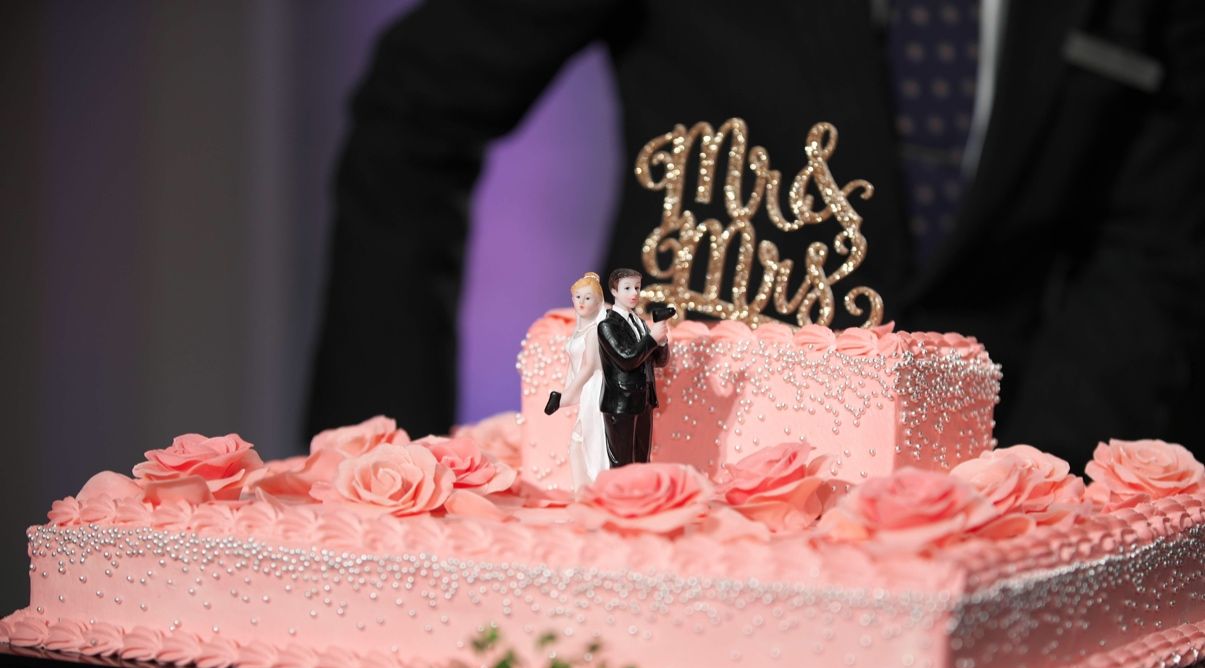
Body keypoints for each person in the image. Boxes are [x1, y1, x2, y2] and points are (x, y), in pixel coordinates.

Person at [307, 0, 1205, 471]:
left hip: (1000, 543)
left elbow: (1155, 243)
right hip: (678, 510)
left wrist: (1032, 501)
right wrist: (383, 463)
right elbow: (416, 110)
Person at [596, 269, 669, 467]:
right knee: (623, 461)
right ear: (614, 291)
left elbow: (659, 361)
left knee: (642, 458)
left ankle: (642, 487)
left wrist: (661, 341)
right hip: (621, 402)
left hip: (644, 400)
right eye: (627, 288)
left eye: (637, 287)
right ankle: (621, 489)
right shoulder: (607, 326)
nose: (634, 293)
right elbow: (627, 359)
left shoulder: (640, 324)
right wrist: (652, 338)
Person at [558, 272, 611, 489]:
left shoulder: (595, 332)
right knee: (582, 441)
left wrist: (566, 395)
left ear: (598, 302)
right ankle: (586, 489)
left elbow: (589, 367)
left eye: (587, 298)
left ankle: (592, 488)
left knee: (586, 440)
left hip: (596, 389)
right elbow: (574, 365)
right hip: (586, 391)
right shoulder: (579, 331)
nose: (581, 302)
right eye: (578, 297)